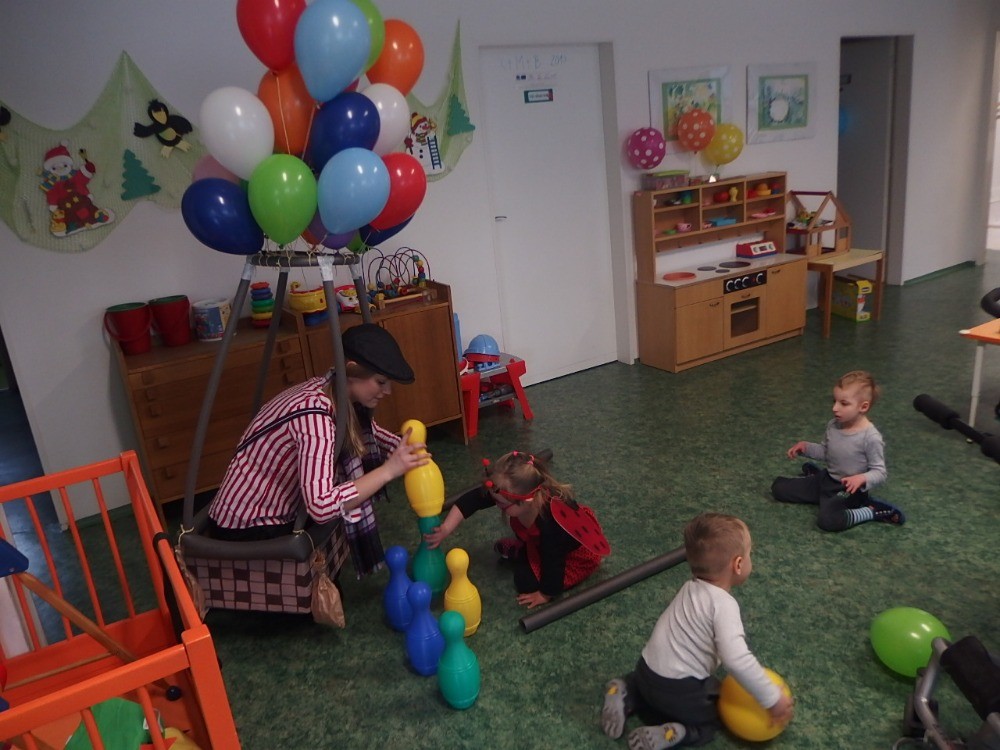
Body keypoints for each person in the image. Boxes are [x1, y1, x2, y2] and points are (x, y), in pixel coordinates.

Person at [207, 323, 429, 579]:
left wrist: (399, 445)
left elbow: (364, 430)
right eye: (381, 382)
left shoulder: (328, 388)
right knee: (334, 511)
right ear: (352, 370)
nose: (387, 391)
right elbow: (321, 505)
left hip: (256, 509)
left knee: (340, 504)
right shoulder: (316, 417)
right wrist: (388, 471)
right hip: (245, 526)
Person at [601, 513, 794, 749]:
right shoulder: (724, 605)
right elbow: (737, 660)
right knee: (714, 717)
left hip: (644, 671)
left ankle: (626, 691)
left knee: (647, 687)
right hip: (678, 691)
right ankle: (680, 732)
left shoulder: (689, 587)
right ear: (738, 564)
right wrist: (771, 698)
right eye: (750, 554)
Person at [423, 450, 610, 609]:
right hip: (544, 545)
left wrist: (545, 595)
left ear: (526, 501)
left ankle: (522, 552)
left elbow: (554, 564)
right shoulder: (511, 492)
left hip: (573, 555)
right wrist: (445, 528)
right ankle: (525, 551)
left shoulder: (550, 526)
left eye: (502, 504)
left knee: (525, 582)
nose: (496, 505)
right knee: (529, 558)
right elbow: (473, 500)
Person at [771, 369, 904, 531]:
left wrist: (861, 478)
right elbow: (827, 452)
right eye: (834, 401)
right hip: (826, 479)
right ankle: (816, 477)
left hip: (848, 490)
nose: (835, 408)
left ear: (863, 407)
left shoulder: (870, 437)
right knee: (778, 488)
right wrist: (806, 448)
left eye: (843, 403)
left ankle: (871, 511)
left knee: (828, 521)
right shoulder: (833, 425)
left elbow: (880, 472)